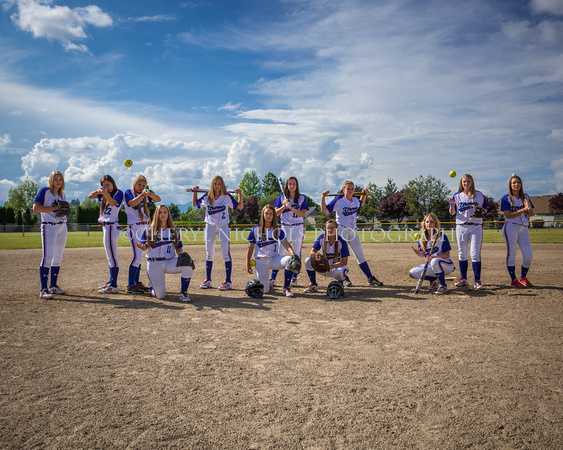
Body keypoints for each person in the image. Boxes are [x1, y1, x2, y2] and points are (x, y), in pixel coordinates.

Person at [321, 180, 382, 287]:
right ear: (343, 190)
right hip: (341, 231)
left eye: (352, 189)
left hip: (353, 231)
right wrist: (322, 197)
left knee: (360, 256)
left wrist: (364, 194)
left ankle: (370, 278)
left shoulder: (355, 200)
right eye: (348, 188)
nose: (350, 190)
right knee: (339, 257)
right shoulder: (339, 200)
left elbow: (361, 203)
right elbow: (323, 209)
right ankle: (343, 278)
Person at [192, 176, 243, 291]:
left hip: (223, 226)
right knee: (209, 253)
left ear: (222, 185)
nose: (217, 186)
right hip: (209, 226)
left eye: (219, 184)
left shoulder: (226, 197)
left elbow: (239, 206)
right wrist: (195, 192)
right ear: (212, 184)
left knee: (225, 253)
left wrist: (240, 195)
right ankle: (208, 280)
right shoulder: (208, 196)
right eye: (215, 183)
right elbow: (195, 204)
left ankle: (228, 282)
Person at [135, 204, 193, 302]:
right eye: (160, 212)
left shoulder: (174, 231)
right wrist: (142, 246)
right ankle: (152, 286)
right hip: (154, 263)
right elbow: (144, 246)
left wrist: (181, 256)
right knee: (160, 296)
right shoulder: (149, 229)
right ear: (156, 215)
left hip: (169, 262)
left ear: (168, 214)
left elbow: (178, 248)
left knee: (187, 265)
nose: (162, 214)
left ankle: (183, 292)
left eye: (165, 212)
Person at [246, 204, 298, 297]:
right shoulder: (255, 229)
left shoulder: (277, 229)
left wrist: (293, 254)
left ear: (274, 215)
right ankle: (268, 284)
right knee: (265, 291)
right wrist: (247, 263)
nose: (269, 216)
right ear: (263, 215)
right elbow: (250, 248)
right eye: (266, 213)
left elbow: (285, 243)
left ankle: (286, 288)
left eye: (271, 213)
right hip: (260, 261)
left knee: (290, 260)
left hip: (274, 258)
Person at [447, 174, 488, 289]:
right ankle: (463, 278)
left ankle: (477, 280)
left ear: (472, 182)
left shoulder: (479, 195)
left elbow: (485, 209)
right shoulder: (457, 196)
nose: (466, 184)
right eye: (464, 181)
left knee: (475, 254)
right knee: (462, 253)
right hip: (461, 226)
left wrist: (482, 212)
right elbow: (452, 213)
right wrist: (451, 206)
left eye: (468, 181)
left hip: (476, 226)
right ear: (461, 183)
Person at [33, 170, 68, 299]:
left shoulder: (62, 194)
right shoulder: (44, 191)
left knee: (58, 257)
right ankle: (43, 289)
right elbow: (36, 208)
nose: (58, 181)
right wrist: (54, 208)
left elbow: (61, 210)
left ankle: (53, 286)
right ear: (51, 180)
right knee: (47, 257)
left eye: (60, 179)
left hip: (62, 226)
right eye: (56, 179)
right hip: (49, 226)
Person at [124, 175, 161, 294]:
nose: (141, 187)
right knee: (137, 256)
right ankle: (130, 285)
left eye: (144, 185)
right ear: (134, 183)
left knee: (140, 257)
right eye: (139, 184)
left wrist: (149, 194)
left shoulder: (144, 195)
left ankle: (136, 282)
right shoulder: (128, 192)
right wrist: (142, 195)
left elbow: (158, 199)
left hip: (144, 225)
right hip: (134, 225)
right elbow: (132, 203)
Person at [270, 176, 309, 288]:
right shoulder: (282, 197)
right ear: (287, 186)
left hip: (298, 227)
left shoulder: (302, 198)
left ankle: (294, 278)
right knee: (280, 252)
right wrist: (284, 205)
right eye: (290, 184)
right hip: (285, 227)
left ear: (297, 186)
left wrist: (291, 208)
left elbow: (303, 214)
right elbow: (275, 213)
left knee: (296, 252)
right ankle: (273, 278)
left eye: (294, 184)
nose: (292, 186)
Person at [88, 175, 124, 294]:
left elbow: (113, 203)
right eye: (104, 185)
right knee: (110, 257)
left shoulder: (118, 193)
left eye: (108, 184)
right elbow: (90, 196)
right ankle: (111, 281)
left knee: (112, 257)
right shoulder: (104, 193)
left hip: (111, 226)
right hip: (107, 227)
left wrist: (106, 193)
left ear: (113, 184)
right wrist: (99, 191)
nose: (106, 187)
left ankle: (113, 285)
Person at [500, 174, 534, 288]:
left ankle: (523, 277)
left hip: (523, 228)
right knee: (512, 254)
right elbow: (508, 215)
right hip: (511, 227)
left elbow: (530, 213)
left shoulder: (526, 197)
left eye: (518, 182)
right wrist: (523, 209)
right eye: (514, 183)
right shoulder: (506, 198)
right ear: (510, 185)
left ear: (521, 184)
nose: (516, 184)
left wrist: (528, 208)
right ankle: (513, 279)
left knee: (528, 256)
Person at [409, 213, 455, 295]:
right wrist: (418, 253)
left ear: (435, 224)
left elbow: (447, 254)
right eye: (427, 222)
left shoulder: (441, 236)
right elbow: (425, 255)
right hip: (432, 266)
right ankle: (434, 280)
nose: (429, 224)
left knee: (435, 261)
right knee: (412, 273)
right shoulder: (422, 239)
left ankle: (443, 286)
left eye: (431, 222)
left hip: (446, 264)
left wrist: (434, 257)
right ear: (424, 224)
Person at [303, 219, 349, 293]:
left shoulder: (341, 241)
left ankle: (340, 285)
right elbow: (312, 251)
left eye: (332, 228)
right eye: (328, 228)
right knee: (308, 260)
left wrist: (330, 266)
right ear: (325, 229)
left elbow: (344, 261)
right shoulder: (322, 238)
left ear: (337, 229)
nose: (330, 230)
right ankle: (313, 284)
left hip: (335, 269)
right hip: (322, 268)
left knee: (341, 271)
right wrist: (315, 257)